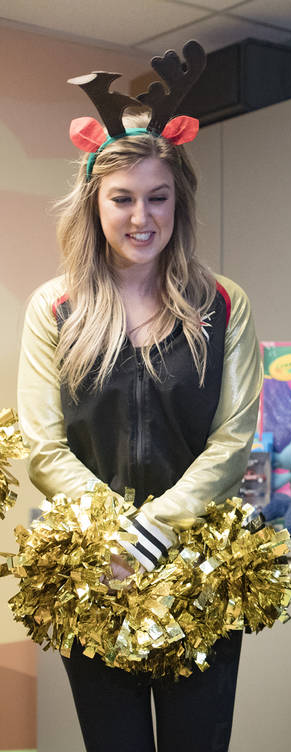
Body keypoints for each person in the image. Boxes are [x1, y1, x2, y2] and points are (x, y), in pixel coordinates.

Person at [17, 74, 262, 750]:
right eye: (122, 199)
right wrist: (120, 537)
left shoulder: (222, 302)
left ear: (179, 202)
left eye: (158, 198)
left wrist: (158, 529)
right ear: (93, 202)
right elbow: (43, 446)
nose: (141, 217)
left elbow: (232, 439)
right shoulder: (55, 308)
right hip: (95, 570)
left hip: (201, 570)